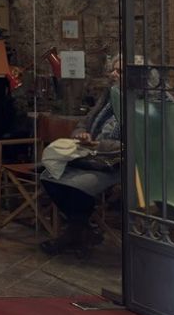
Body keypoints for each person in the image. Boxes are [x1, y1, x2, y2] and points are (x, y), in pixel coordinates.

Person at [39, 55, 122, 257]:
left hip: (112, 161)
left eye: (119, 71)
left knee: (77, 185)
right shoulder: (108, 96)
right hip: (87, 154)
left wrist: (97, 143)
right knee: (48, 175)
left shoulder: (137, 104)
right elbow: (84, 122)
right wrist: (81, 134)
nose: (113, 74)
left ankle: (75, 233)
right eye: (113, 69)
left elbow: (133, 144)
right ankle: (82, 230)